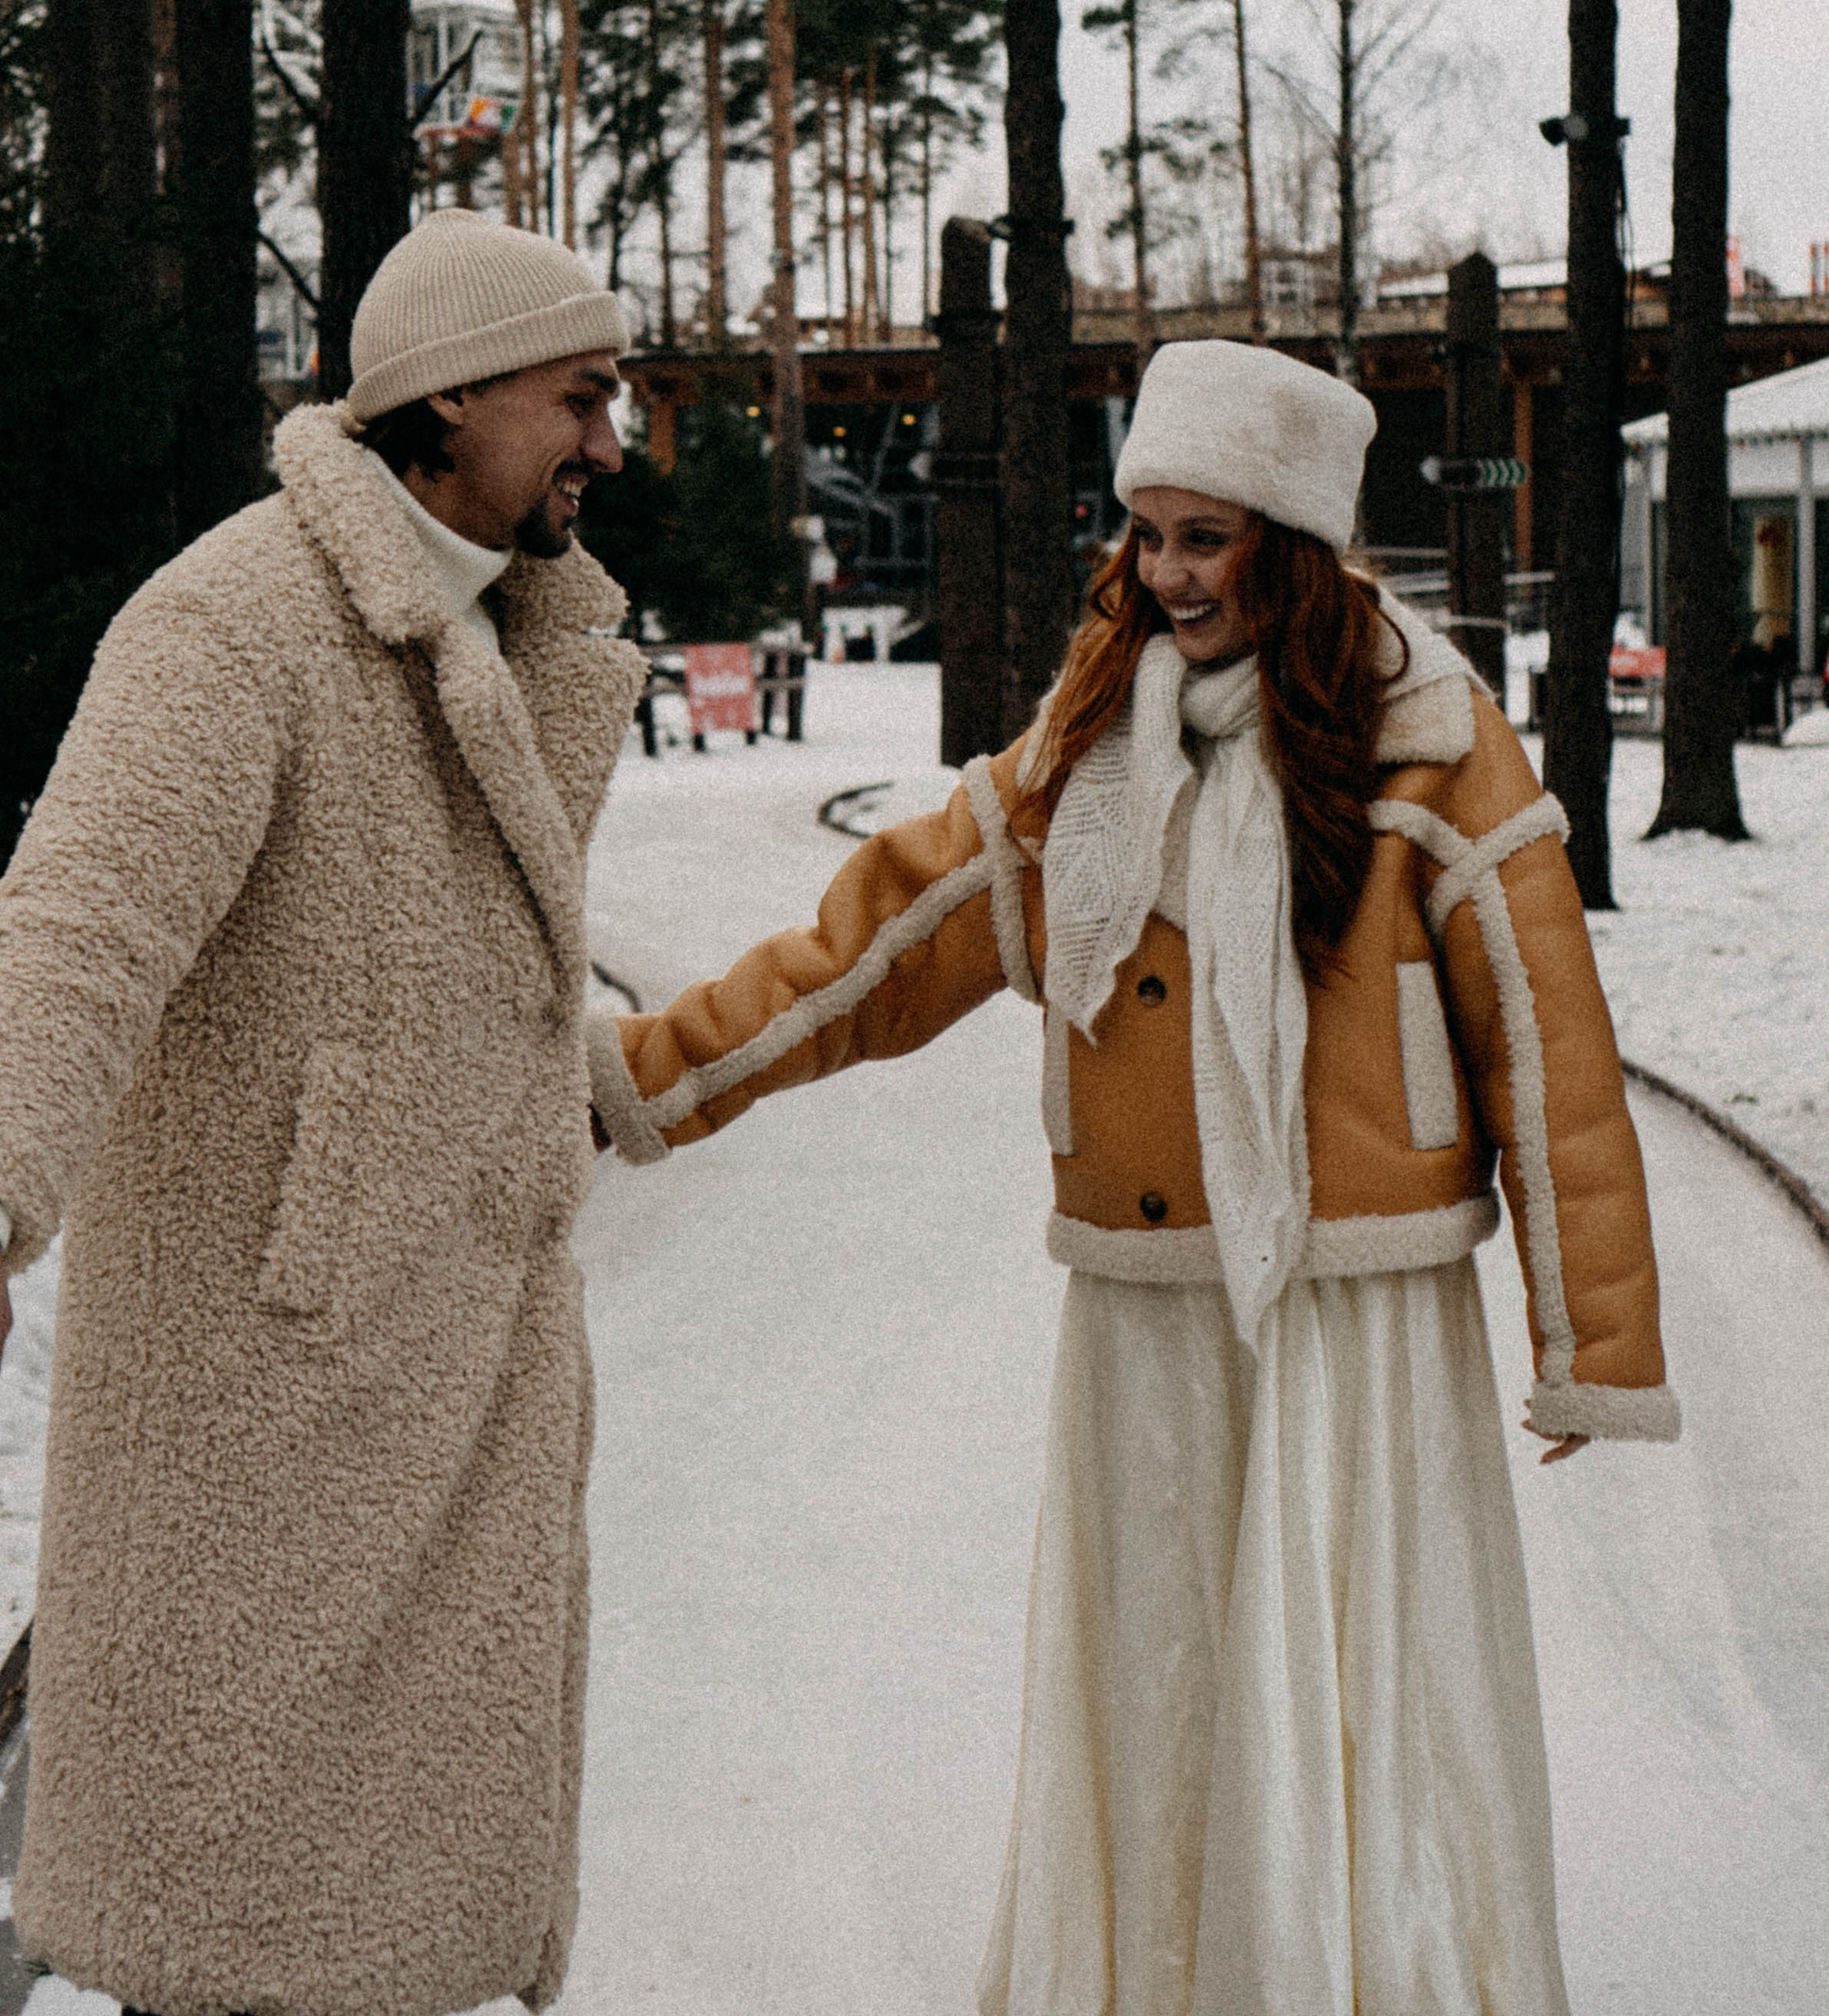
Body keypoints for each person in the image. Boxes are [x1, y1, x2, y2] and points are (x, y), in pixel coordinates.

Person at [587, 338, 1677, 2016]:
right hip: (1152, 1310)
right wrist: (648, 1076)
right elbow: (868, 948)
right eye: (1145, 534)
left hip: (1353, 1316)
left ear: (1293, 546)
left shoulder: (1434, 744)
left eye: (1204, 537)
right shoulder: (1083, 760)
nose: (1165, 575)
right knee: (1166, 1683)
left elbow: (1549, 1054)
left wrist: (1587, 1341)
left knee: (1354, 1690)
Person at [0, 212, 645, 2016]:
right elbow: (80, 922)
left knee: (385, 1909)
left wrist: (620, 1081)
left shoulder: (505, 625)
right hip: (270, 1402)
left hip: (444, 1371)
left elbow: (453, 975)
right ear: (446, 406)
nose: (611, 444)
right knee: (245, 1915)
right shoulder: (237, 623)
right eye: (580, 398)